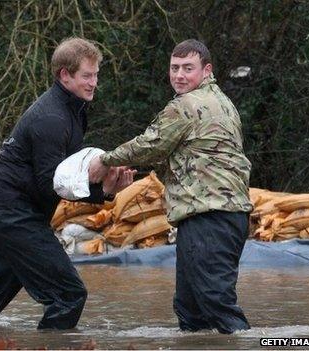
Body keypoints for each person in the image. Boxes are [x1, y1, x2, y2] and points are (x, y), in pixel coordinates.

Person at [0, 37, 135, 329]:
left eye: (96, 74)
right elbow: (53, 183)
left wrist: (105, 188)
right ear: (65, 75)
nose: (94, 82)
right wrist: (101, 190)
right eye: (87, 75)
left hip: (7, 213)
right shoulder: (52, 118)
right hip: (14, 217)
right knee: (69, 295)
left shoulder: (72, 112)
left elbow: (66, 174)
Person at [89, 39, 253, 334]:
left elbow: (150, 145)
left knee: (216, 302)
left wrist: (105, 160)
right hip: (219, 216)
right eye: (174, 68)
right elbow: (185, 155)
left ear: (206, 70)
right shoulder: (223, 102)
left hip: (210, 217)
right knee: (189, 307)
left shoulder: (186, 105)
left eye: (187, 68)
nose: (179, 75)